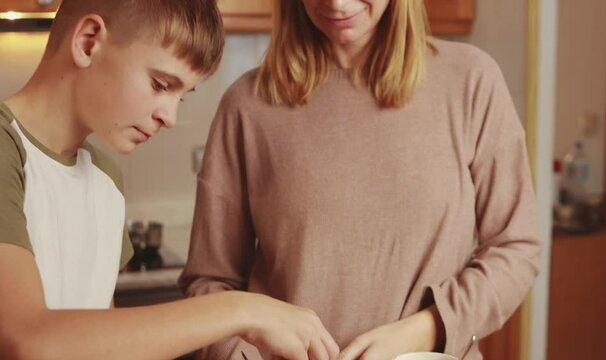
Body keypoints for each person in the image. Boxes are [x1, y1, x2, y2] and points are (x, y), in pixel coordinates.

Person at [179, 0, 542, 359]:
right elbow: (210, 282)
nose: (336, 3)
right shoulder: (246, 105)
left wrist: (426, 330)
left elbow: (515, 248)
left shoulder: (472, 81)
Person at [0, 1, 340, 359]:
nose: (170, 117)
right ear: (88, 42)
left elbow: (103, 345)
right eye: (160, 84)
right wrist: (244, 311)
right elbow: (26, 341)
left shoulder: (104, 181)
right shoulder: (8, 152)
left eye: (181, 96)